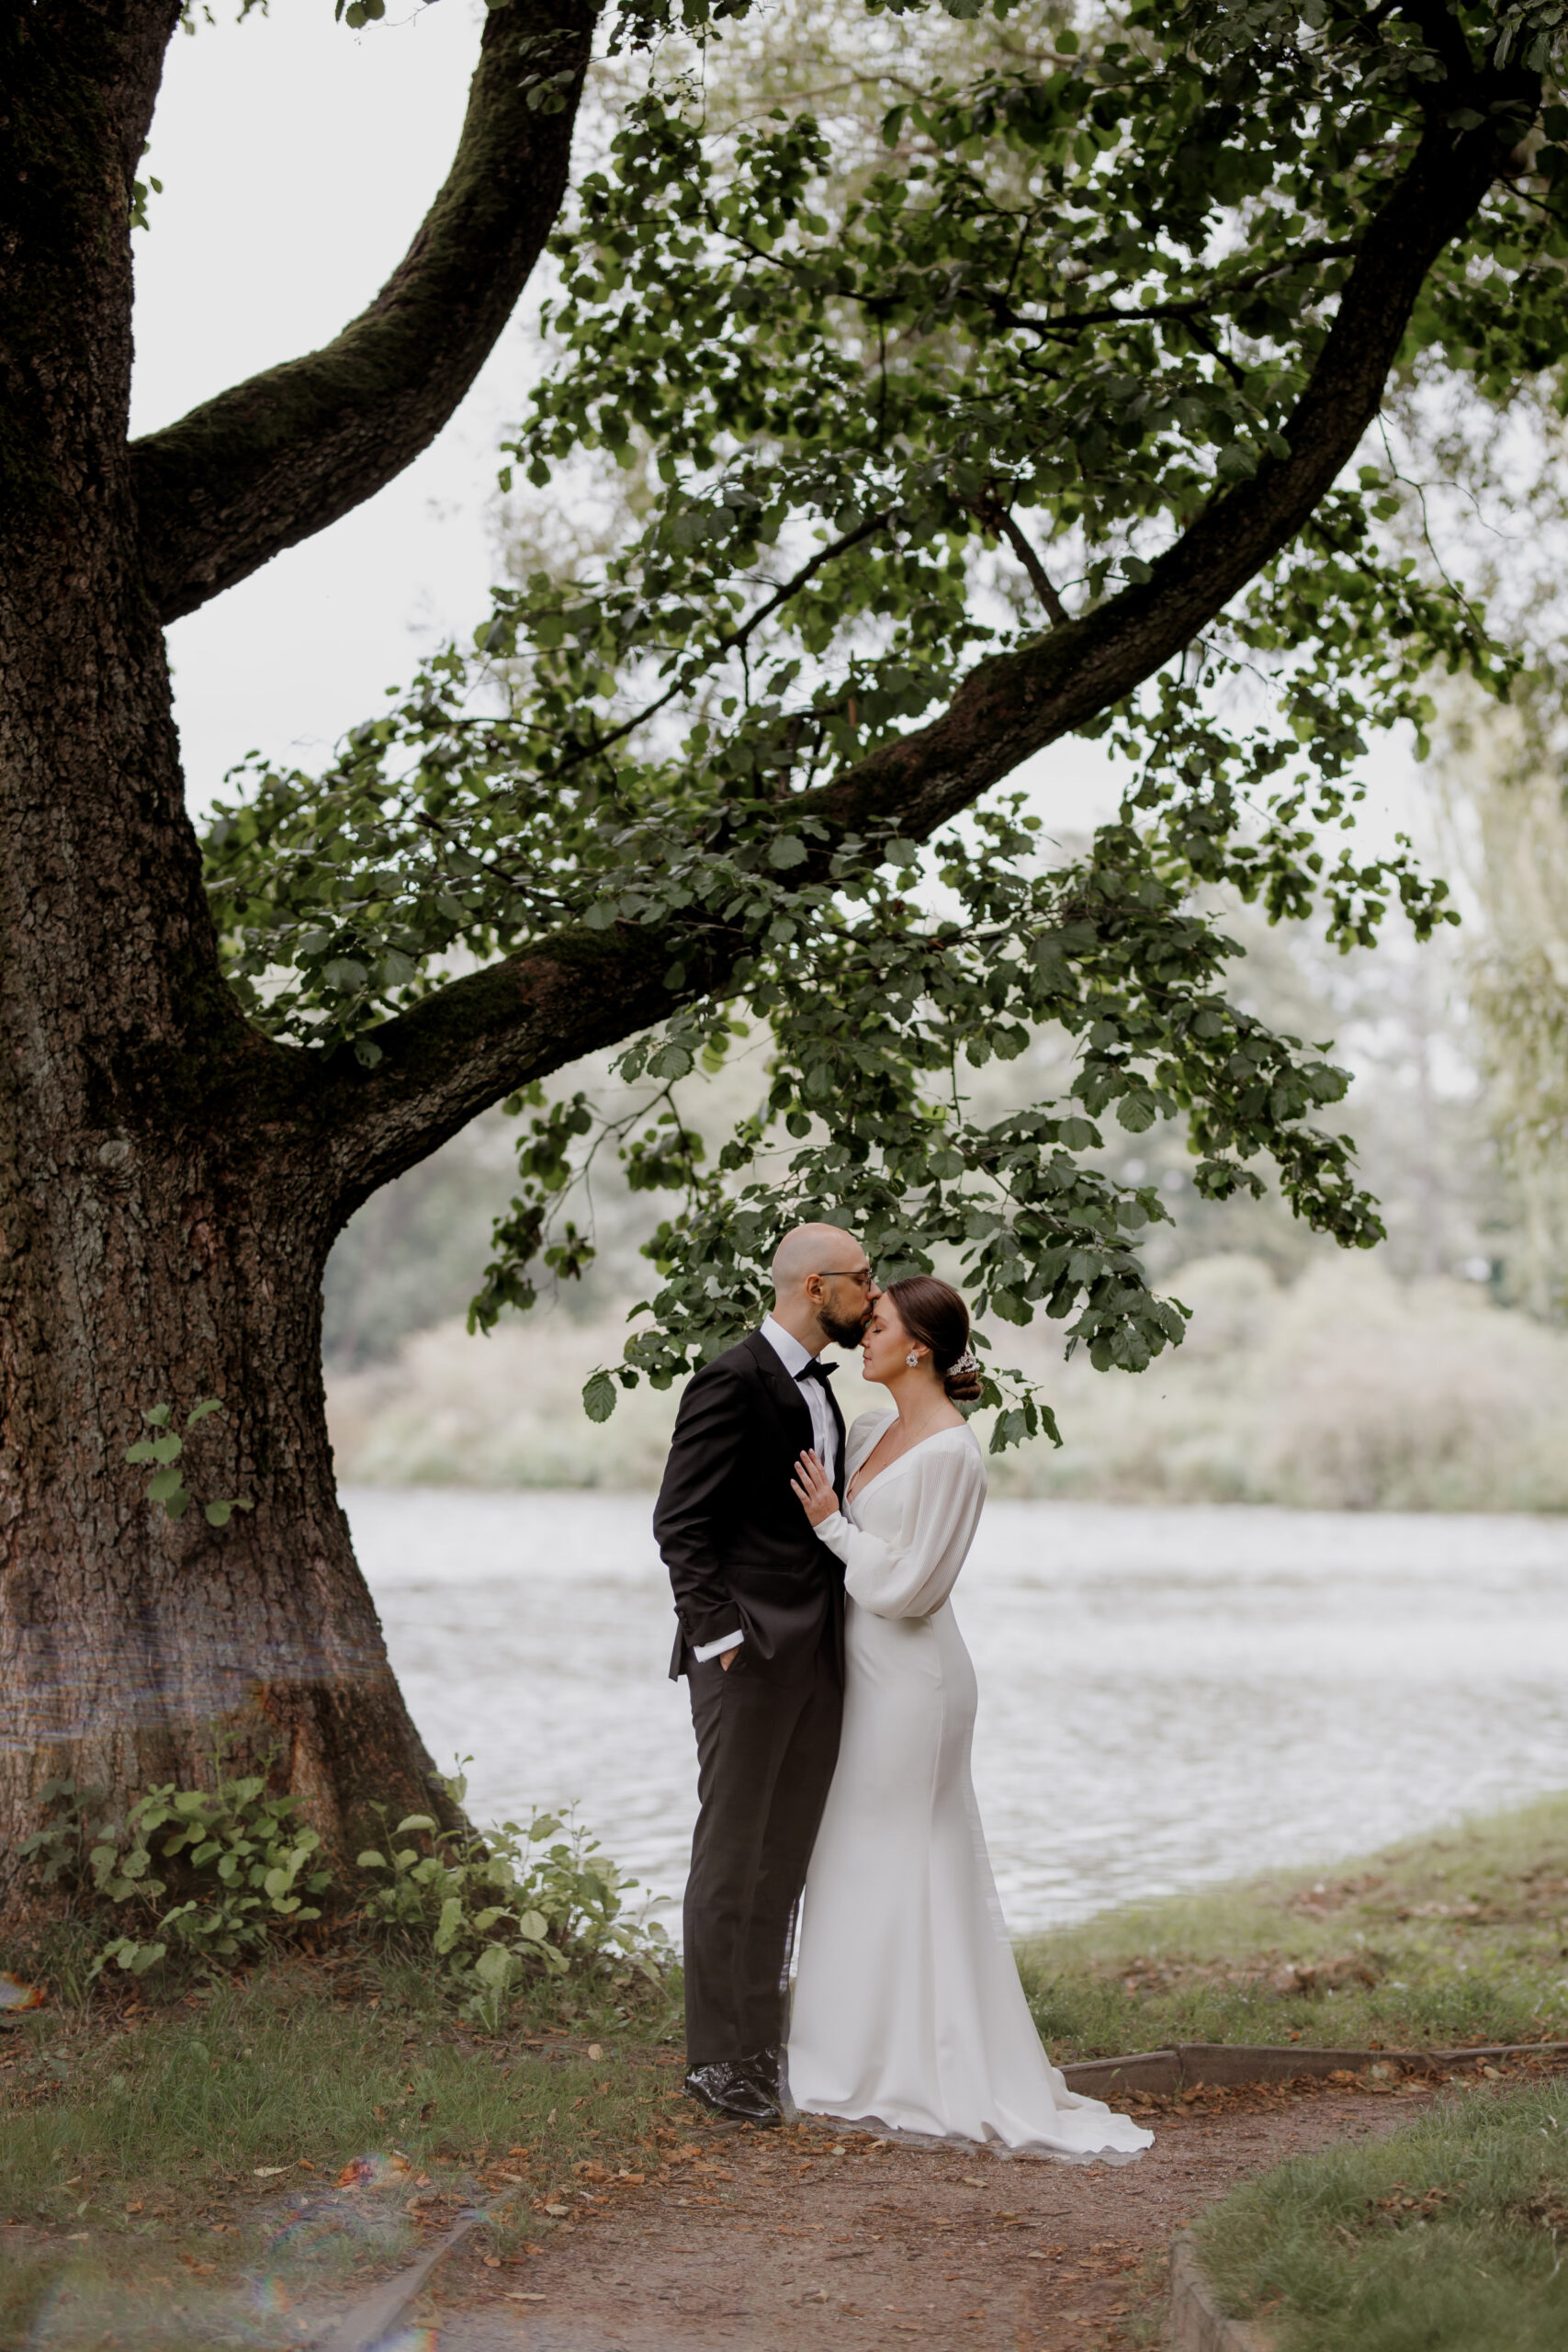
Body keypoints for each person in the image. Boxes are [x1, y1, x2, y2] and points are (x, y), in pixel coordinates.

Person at [785, 1274, 1154, 2162]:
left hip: (913, 1681)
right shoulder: (874, 1427)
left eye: (874, 1325)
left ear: (918, 1346)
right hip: (861, 1674)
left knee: (908, 1852)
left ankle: (927, 2061)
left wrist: (835, 1527)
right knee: (853, 1851)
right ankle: (847, 2049)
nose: (860, 1336)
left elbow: (913, 1588)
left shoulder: (952, 1453)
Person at [653, 1223, 881, 2126]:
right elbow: (681, 1524)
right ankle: (714, 2060)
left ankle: (760, 2044)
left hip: (819, 1655)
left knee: (782, 1860)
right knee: (731, 1855)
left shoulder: (821, 1385)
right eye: (863, 1278)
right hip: (748, 1657)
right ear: (816, 1285)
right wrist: (721, 1640)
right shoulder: (732, 1378)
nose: (874, 1291)